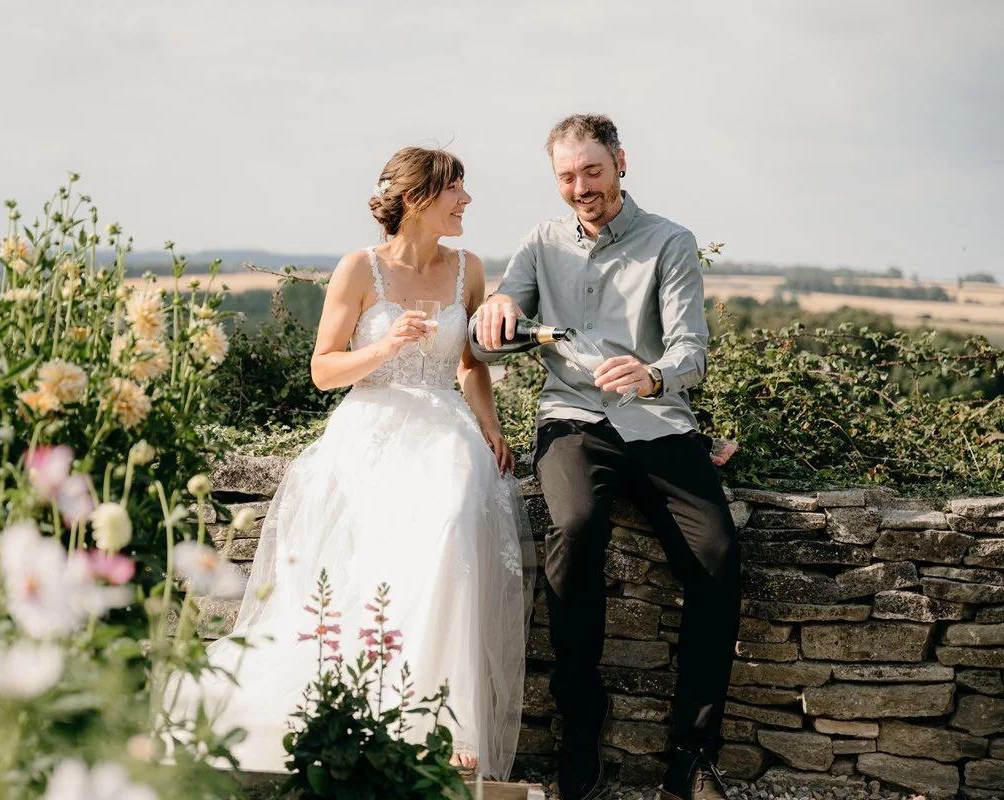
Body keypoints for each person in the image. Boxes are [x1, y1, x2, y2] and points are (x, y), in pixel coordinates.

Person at [165, 147, 533, 780]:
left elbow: (470, 362)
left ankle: (442, 721)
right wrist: (386, 345)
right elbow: (323, 369)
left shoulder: (468, 269)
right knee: (367, 556)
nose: (468, 201)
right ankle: (361, 705)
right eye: (457, 191)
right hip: (369, 424)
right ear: (418, 199)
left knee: (446, 525)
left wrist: (492, 427)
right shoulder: (359, 270)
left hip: (445, 427)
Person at [473, 114, 741, 800]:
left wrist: (652, 375)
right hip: (571, 421)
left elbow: (692, 351)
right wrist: (497, 309)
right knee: (577, 525)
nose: (580, 187)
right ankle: (580, 729)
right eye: (566, 176)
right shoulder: (537, 244)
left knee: (716, 553)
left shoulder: (669, 242)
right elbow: (484, 348)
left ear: (621, 162)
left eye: (592, 170)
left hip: (657, 420)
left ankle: (693, 753)